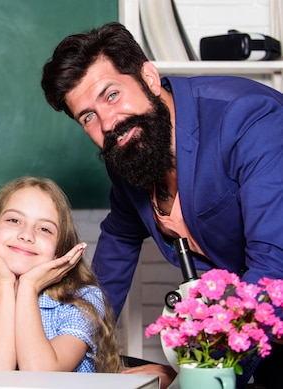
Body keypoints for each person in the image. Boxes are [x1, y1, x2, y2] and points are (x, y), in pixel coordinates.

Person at [40, 22, 283, 389]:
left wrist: (193, 371)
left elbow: (273, 270)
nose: (108, 123)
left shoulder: (249, 119)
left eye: (111, 95)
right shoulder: (128, 148)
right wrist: (75, 358)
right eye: (87, 116)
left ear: (149, 77)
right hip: (256, 333)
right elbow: (117, 250)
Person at [0, 176, 122, 380]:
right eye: (14, 220)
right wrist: (4, 285)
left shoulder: (83, 301)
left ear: (59, 251)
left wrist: (28, 287)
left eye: (45, 229)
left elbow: (40, 374)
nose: (27, 235)